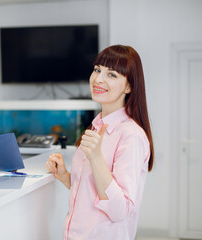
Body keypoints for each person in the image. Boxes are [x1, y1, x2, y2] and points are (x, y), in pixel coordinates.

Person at [45, 45, 154, 239]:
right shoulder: (96, 126)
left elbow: (119, 210)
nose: (98, 79)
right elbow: (91, 191)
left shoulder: (131, 135)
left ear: (129, 86)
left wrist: (96, 158)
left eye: (112, 74)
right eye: (97, 70)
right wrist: (64, 176)